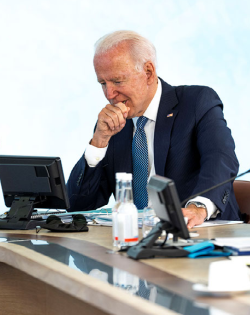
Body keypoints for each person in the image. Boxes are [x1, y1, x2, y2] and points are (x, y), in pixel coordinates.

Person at [67, 30, 240, 228]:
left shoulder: (196, 102)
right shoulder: (112, 126)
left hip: (198, 234)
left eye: (117, 81)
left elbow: (221, 159)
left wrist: (198, 208)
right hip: (133, 240)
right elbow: (78, 205)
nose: (109, 94)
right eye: (102, 83)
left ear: (148, 72)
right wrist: (98, 143)